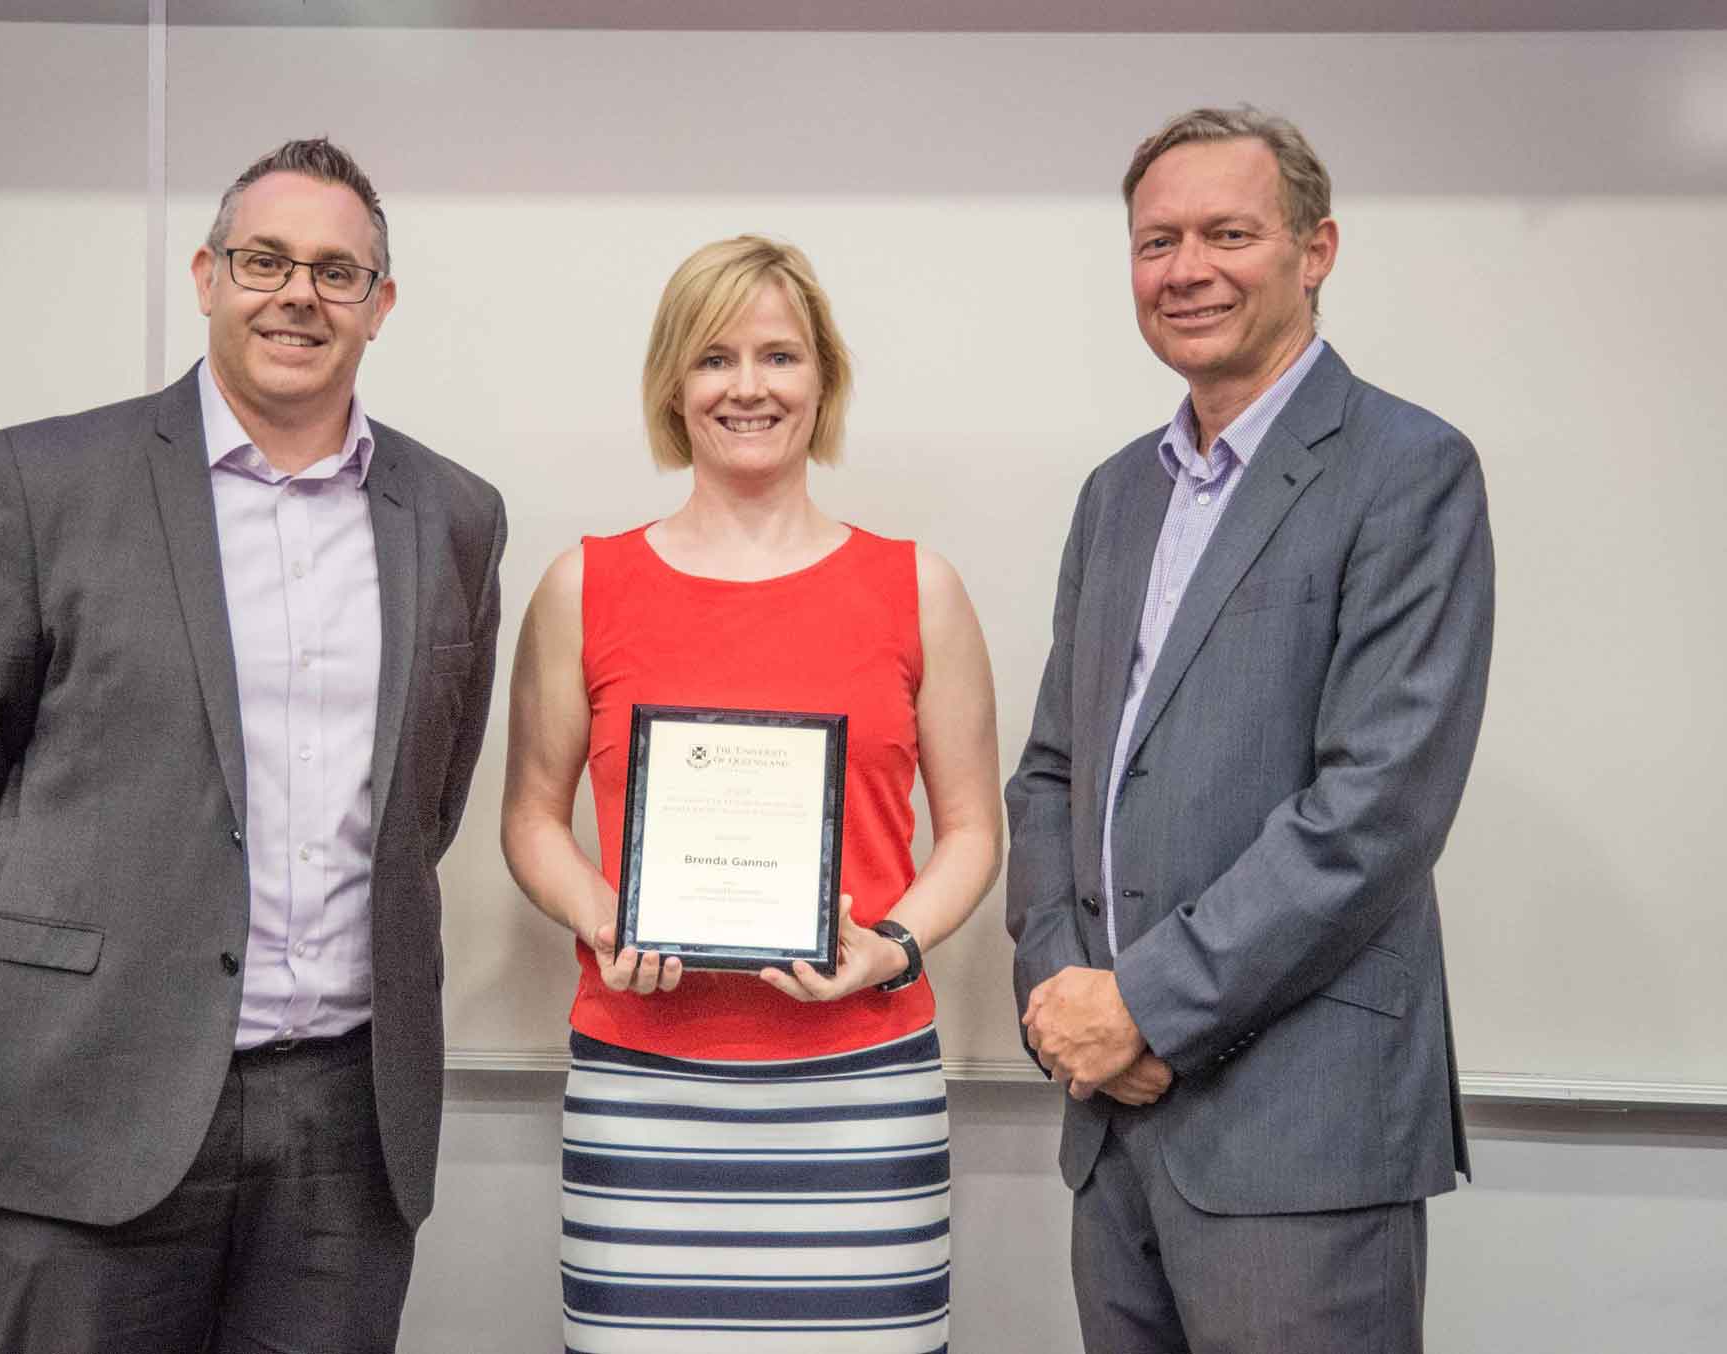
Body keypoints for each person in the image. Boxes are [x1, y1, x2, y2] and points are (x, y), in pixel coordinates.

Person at [0, 137, 504, 1354]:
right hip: (88, 1091)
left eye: (336, 271)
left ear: (381, 307)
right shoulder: (47, 480)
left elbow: (428, 797)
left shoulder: (454, 514)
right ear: (209, 274)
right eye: (266, 259)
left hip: (345, 1122)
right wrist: (60, 980)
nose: (298, 295)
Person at [1006, 105, 1494, 1351]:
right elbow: (1057, 773)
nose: (1187, 269)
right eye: (1156, 240)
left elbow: (1375, 808)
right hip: (1111, 1134)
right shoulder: (1118, 494)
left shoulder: (1408, 469)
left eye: (1229, 231)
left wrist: (1146, 1007)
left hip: (1303, 1140)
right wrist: (1065, 993)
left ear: (1316, 249)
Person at [502, 235, 1002, 1352]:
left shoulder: (918, 587)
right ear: (673, 385)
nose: (748, 386)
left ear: (822, 377)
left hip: (864, 1090)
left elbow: (973, 831)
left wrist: (894, 945)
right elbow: (530, 818)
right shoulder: (585, 585)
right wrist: (601, 914)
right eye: (714, 356)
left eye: (779, 355)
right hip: (643, 1083)